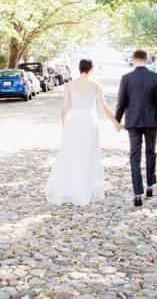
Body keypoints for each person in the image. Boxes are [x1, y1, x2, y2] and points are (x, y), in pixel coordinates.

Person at [46, 58, 121, 206]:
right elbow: (104, 107)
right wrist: (116, 123)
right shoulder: (95, 85)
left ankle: (71, 188)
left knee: (71, 153)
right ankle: (86, 189)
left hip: (73, 121)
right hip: (88, 121)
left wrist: (64, 125)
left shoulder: (69, 85)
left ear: (79, 69)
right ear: (91, 69)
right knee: (88, 154)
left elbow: (65, 108)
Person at [115, 49, 157, 207]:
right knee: (151, 152)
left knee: (135, 156)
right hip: (152, 122)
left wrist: (117, 121)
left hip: (133, 122)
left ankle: (137, 194)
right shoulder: (155, 77)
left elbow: (121, 102)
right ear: (146, 60)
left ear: (133, 60)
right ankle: (150, 186)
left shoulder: (126, 78)